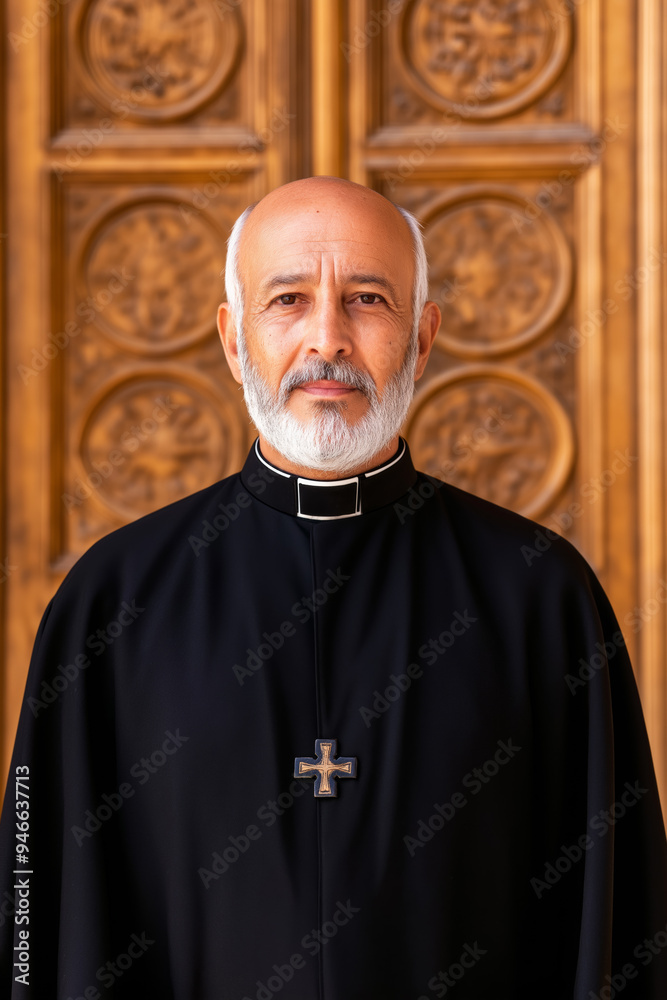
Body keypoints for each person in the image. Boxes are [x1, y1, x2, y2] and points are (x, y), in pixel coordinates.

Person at [0, 176, 665, 1000]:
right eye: (286, 299)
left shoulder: (539, 595)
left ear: (421, 338)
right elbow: (37, 910)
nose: (328, 338)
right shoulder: (112, 601)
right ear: (233, 338)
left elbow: (614, 914)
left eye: (367, 298)